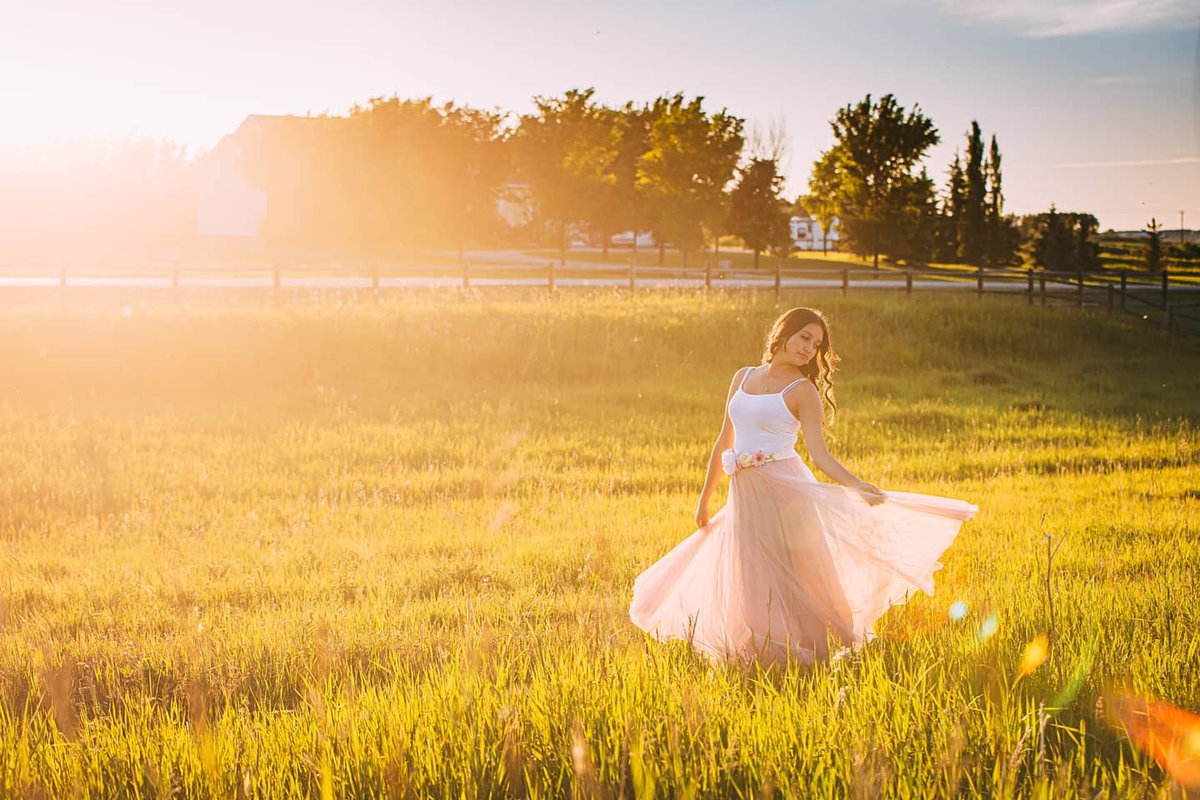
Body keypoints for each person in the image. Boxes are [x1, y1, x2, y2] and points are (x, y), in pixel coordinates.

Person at [629, 307, 978, 667]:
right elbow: (723, 442)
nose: (809, 349)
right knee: (752, 573)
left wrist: (857, 485)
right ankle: (764, 651)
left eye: (816, 345)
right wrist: (704, 500)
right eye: (804, 338)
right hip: (745, 496)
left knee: (806, 572)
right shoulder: (742, 377)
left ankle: (836, 647)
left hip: (788, 492)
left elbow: (820, 456)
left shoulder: (803, 391)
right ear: (784, 332)